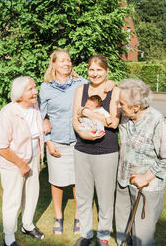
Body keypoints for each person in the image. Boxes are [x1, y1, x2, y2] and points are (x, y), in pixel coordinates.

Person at [39, 49, 114, 235]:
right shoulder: (46, 87)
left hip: (79, 140)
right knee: (56, 181)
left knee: (77, 182)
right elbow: (40, 116)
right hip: (56, 140)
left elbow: (99, 84)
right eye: (62, 61)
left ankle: (79, 217)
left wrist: (110, 82)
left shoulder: (81, 84)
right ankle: (58, 217)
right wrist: (47, 141)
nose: (67, 63)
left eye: (69, 60)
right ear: (54, 64)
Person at [73, 54, 120, 246]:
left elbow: (114, 122)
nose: (95, 73)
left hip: (106, 151)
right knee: (83, 195)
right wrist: (82, 134)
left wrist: (87, 112)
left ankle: (102, 236)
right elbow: (75, 119)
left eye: (99, 70)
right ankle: (86, 233)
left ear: (106, 71)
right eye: (91, 69)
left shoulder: (114, 91)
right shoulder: (80, 90)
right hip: (82, 149)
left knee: (105, 196)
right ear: (87, 71)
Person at [0, 76, 45, 246]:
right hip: (13, 163)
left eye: (34, 87)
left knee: (32, 194)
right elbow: (0, 146)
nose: (35, 91)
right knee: (12, 199)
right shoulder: (8, 112)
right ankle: (9, 236)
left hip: (33, 158)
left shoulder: (35, 107)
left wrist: (46, 121)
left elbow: (39, 124)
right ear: (19, 95)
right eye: (30, 89)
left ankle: (27, 225)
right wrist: (21, 164)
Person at [115, 78, 166, 246]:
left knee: (142, 236)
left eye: (121, 103)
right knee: (123, 229)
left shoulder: (157, 121)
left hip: (147, 186)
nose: (118, 106)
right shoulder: (125, 115)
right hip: (124, 179)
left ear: (136, 107)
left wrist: (146, 177)